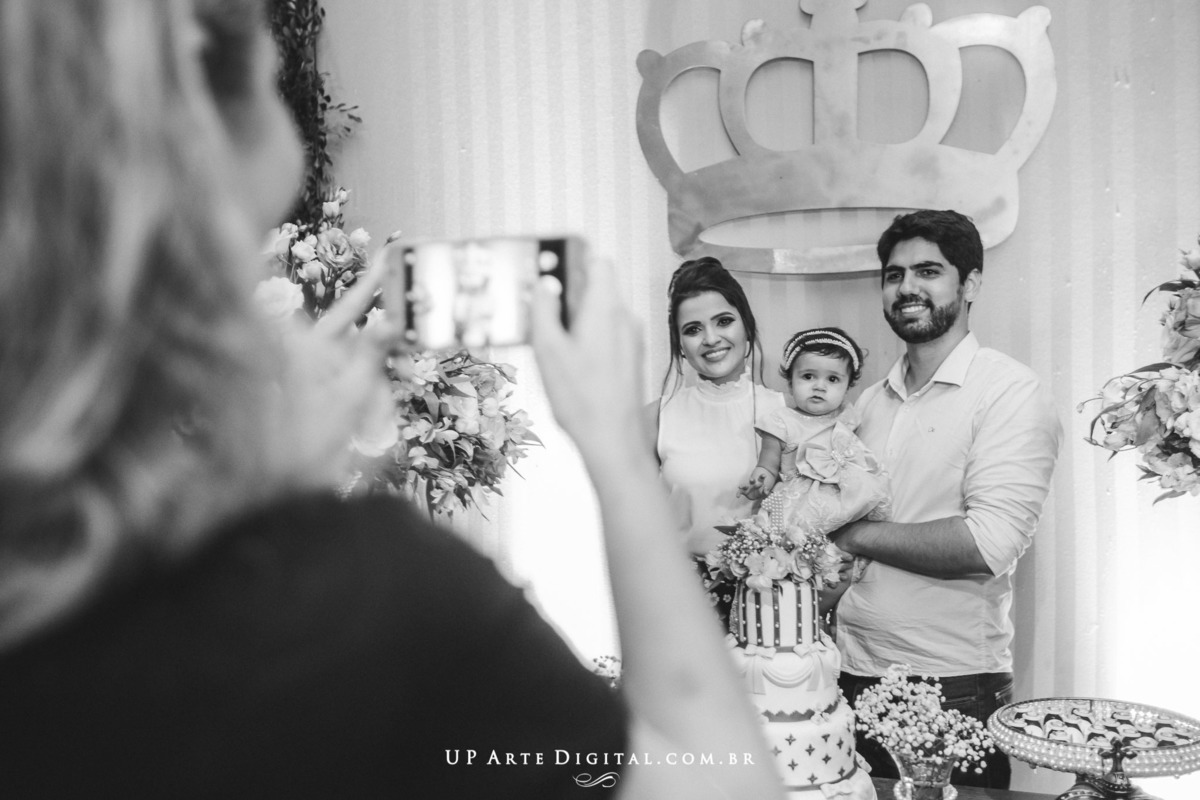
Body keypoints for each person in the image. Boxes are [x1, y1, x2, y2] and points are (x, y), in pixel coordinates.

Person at [0, 2, 785, 798]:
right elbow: (724, 783)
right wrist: (618, 452)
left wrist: (263, 478)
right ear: (211, 143)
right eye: (273, 82)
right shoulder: (377, 601)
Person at [830, 210, 1062, 790]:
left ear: (971, 283)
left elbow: (988, 544)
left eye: (928, 271)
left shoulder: (1008, 392)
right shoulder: (869, 404)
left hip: (949, 687)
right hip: (848, 671)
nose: (907, 287)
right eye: (894, 275)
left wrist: (850, 534)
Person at [649, 257, 786, 626]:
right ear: (680, 345)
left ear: (747, 326)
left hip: (772, 603)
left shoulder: (787, 413)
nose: (710, 339)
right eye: (693, 329)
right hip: (682, 607)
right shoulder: (656, 418)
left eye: (724, 321)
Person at [740, 327, 890, 585]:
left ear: (847, 386)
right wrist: (760, 479)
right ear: (790, 382)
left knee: (838, 556)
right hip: (794, 500)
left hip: (838, 497)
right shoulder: (781, 421)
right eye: (808, 376)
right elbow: (768, 465)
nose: (819, 386)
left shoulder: (848, 419)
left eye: (833, 379)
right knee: (785, 554)